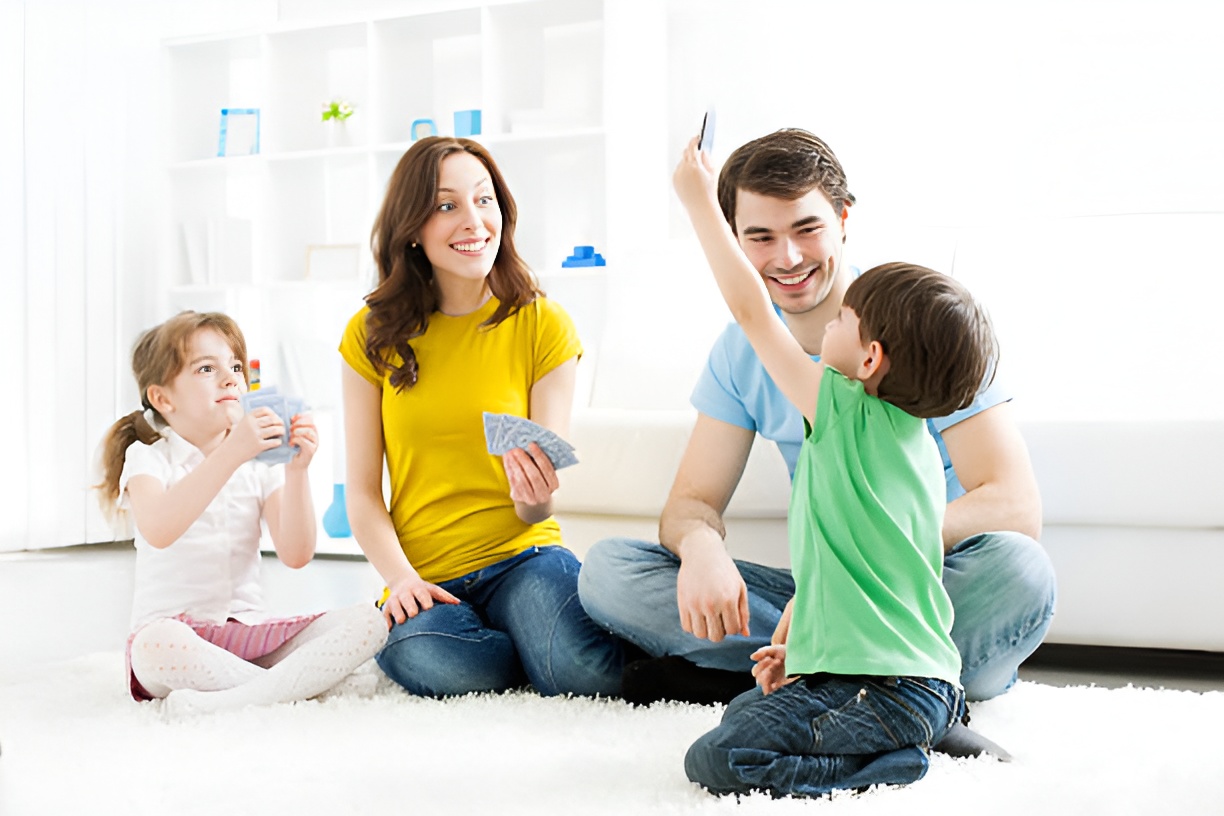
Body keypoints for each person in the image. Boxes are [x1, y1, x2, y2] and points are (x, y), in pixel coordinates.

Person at [577, 128, 1056, 712]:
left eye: (806, 228)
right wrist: (702, 547)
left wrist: (862, 564)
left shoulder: (919, 317)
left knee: (1020, 570)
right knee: (609, 572)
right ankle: (844, 677)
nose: (788, 258)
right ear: (736, 243)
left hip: (923, 583)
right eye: (760, 237)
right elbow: (691, 501)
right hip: (818, 598)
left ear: (843, 219)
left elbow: (1013, 505)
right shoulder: (741, 354)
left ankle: (811, 674)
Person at [672, 136, 994, 796]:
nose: (826, 329)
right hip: (913, 671)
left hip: (889, 687)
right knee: (746, 713)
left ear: (869, 360)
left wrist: (700, 203)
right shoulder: (905, 441)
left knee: (717, 758)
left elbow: (749, 310)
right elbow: (857, 570)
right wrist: (802, 647)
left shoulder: (841, 405)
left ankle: (893, 760)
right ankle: (921, 720)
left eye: (844, 320)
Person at [339, 135, 625, 698]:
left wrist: (534, 496)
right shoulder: (370, 335)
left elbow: (540, 502)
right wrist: (401, 581)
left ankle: (541, 645)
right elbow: (363, 495)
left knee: (584, 671)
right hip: (425, 574)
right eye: (447, 206)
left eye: (484, 199)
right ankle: (527, 650)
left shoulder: (543, 324)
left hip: (524, 557)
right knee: (424, 655)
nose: (474, 221)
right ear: (413, 229)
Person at [96, 310, 386, 714]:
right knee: (153, 645)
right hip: (178, 641)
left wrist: (297, 470)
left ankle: (240, 696)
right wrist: (233, 452)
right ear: (163, 399)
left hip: (248, 639)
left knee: (370, 621)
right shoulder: (148, 459)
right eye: (205, 369)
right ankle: (293, 690)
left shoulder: (257, 464)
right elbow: (160, 528)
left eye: (234, 366)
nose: (231, 378)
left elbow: (297, 554)